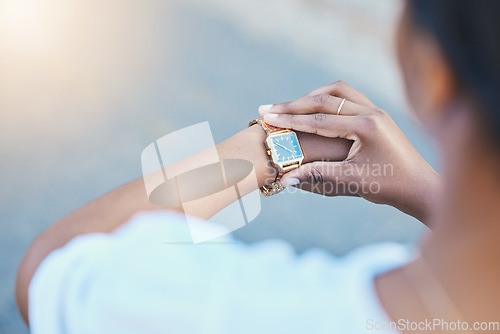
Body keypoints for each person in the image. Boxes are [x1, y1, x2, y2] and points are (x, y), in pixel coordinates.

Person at [15, 0, 500, 332]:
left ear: (428, 70)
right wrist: (433, 198)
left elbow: (60, 267)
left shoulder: (246, 313)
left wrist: (273, 146)